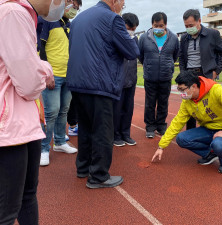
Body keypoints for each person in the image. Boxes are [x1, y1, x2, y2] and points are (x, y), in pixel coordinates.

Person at [67, 0, 140, 188]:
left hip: (77, 82)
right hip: (100, 83)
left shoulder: (78, 19)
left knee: (85, 128)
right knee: (102, 130)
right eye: (122, 2)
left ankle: (83, 168)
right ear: (114, 1)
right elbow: (132, 51)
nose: (122, 6)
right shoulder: (113, 19)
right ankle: (99, 175)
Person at [0, 0, 61, 223]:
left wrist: (38, 67)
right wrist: (46, 69)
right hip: (10, 126)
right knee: (7, 209)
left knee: (26, 197)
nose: (61, 4)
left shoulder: (21, 13)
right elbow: (29, 83)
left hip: (23, 122)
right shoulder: (13, 12)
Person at [151, 70, 222, 174]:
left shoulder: (215, 90)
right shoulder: (187, 101)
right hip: (209, 129)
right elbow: (177, 122)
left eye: (182, 90)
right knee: (182, 139)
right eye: (179, 89)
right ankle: (211, 153)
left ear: (194, 86)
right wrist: (161, 146)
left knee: (218, 145)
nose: (181, 93)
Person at [39, 0, 82, 166]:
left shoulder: (69, 24)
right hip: (53, 75)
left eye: (77, 8)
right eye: (73, 5)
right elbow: (41, 47)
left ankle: (59, 142)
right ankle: (43, 149)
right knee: (51, 112)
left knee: (64, 110)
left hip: (68, 75)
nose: (74, 10)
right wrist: (45, 73)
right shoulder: (48, 21)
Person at [179, 9, 222, 130]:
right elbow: (181, 57)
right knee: (190, 105)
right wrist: (183, 73)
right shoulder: (184, 37)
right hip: (189, 75)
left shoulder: (213, 34)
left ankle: (210, 132)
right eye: (186, 26)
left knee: (208, 106)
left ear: (199, 21)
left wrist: (217, 71)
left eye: (191, 25)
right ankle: (190, 133)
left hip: (206, 74)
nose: (188, 28)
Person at [138, 12, 179, 138]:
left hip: (166, 77)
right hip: (150, 77)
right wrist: (150, 66)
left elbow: (175, 55)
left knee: (163, 102)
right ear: (152, 24)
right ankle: (150, 127)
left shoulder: (173, 38)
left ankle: (161, 125)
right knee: (150, 103)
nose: (158, 28)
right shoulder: (144, 38)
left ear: (165, 24)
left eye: (161, 25)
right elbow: (141, 56)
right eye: (156, 25)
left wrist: (168, 66)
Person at [113, 13, 139, 147]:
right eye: (130, 28)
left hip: (131, 79)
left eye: (134, 29)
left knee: (128, 109)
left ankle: (126, 134)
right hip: (118, 80)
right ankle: (115, 135)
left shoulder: (134, 39)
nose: (132, 31)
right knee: (116, 109)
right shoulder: (115, 38)